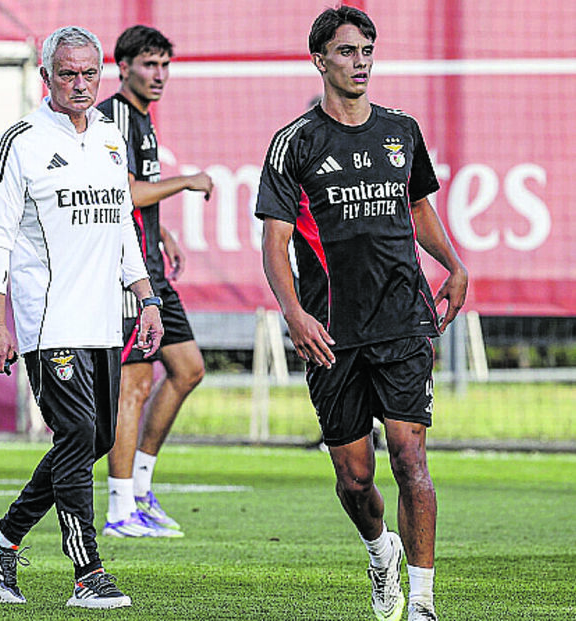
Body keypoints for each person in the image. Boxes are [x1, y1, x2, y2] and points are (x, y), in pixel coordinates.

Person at [255, 7, 467, 621]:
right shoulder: (294, 143)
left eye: (367, 49)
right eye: (347, 51)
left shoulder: (401, 131)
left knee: (410, 456)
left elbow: (420, 209)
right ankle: (380, 553)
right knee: (355, 476)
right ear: (320, 59)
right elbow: (273, 244)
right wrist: (293, 313)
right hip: (331, 333)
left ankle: (422, 603)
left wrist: (453, 265)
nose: (361, 61)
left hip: (404, 319)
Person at [0, 26, 163, 610]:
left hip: (104, 317)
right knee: (76, 434)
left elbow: (122, 221)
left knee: (95, 439)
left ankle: (0, 540)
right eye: (67, 74)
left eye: (88, 74)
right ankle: (88, 574)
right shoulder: (20, 141)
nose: (80, 84)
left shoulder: (106, 135)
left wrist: (146, 296)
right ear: (45, 76)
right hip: (48, 321)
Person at [96, 24, 213, 538]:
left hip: (151, 265)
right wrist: (185, 182)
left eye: (164, 65)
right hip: (128, 273)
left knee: (187, 368)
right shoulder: (115, 114)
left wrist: (161, 229)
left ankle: (140, 487)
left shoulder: (141, 118)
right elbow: (119, 192)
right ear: (123, 68)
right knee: (135, 386)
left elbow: (131, 193)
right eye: (149, 64)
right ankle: (120, 508)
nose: (159, 74)